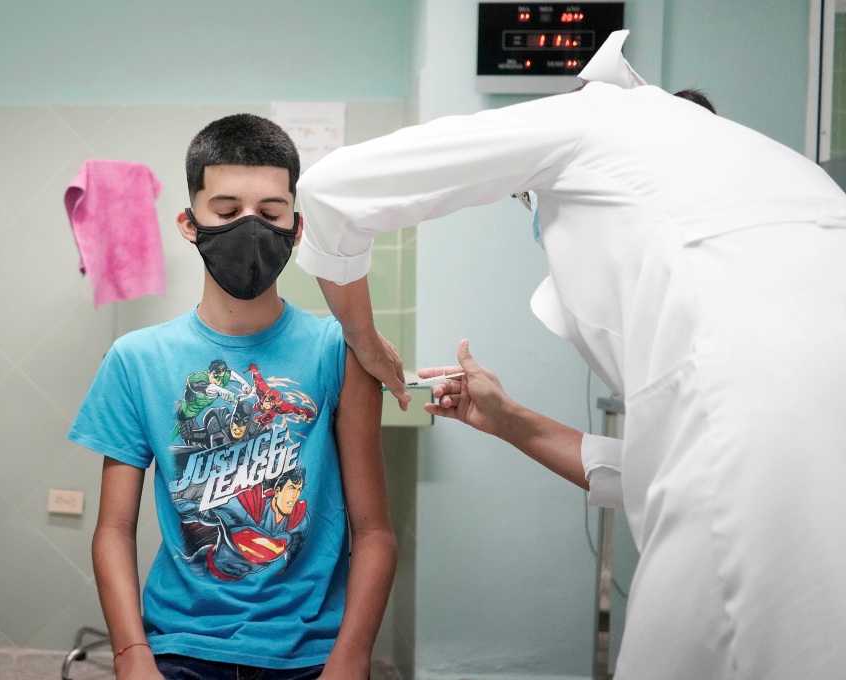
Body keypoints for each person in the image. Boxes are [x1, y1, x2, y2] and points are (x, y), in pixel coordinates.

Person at [292, 29, 846, 680]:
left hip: (748, 465)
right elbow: (658, 468)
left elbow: (331, 190)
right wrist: (509, 420)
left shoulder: (597, 113)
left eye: (528, 199)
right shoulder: (791, 184)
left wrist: (364, 339)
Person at [69, 113, 396, 680]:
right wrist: (131, 654)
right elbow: (113, 530)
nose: (250, 227)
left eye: (270, 213)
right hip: (181, 646)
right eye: (225, 212)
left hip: (311, 653)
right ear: (189, 223)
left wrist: (352, 657)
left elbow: (375, 532)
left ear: (297, 227)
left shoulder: (339, 351)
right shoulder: (135, 360)